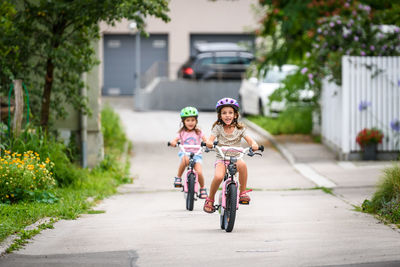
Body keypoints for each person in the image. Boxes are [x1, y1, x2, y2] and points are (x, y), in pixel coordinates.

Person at [204, 98, 259, 213]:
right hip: (222, 159)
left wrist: (254, 144)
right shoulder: (218, 128)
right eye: (224, 113)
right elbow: (211, 139)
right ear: (220, 115)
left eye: (230, 112)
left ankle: (242, 192)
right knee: (219, 177)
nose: (227, 115)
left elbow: (249, 140)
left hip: (236, 158)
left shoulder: (240, 128)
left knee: (243, 165)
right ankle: (210, 199)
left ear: (235, 115)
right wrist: (209, 143)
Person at [169, 106, 208, 199]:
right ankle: (178, 177)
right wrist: (173, 142)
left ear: (196, 121)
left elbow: (205, 140)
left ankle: (202, 188)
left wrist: (207, 143)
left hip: (197, 154)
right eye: (188, 120)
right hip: (185, 152)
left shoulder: (198, 132)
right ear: (183, 122)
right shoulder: (182, 132)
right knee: (185, 160)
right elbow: (175, 139)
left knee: (199, 172)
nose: (190, 122)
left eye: (193, 120)